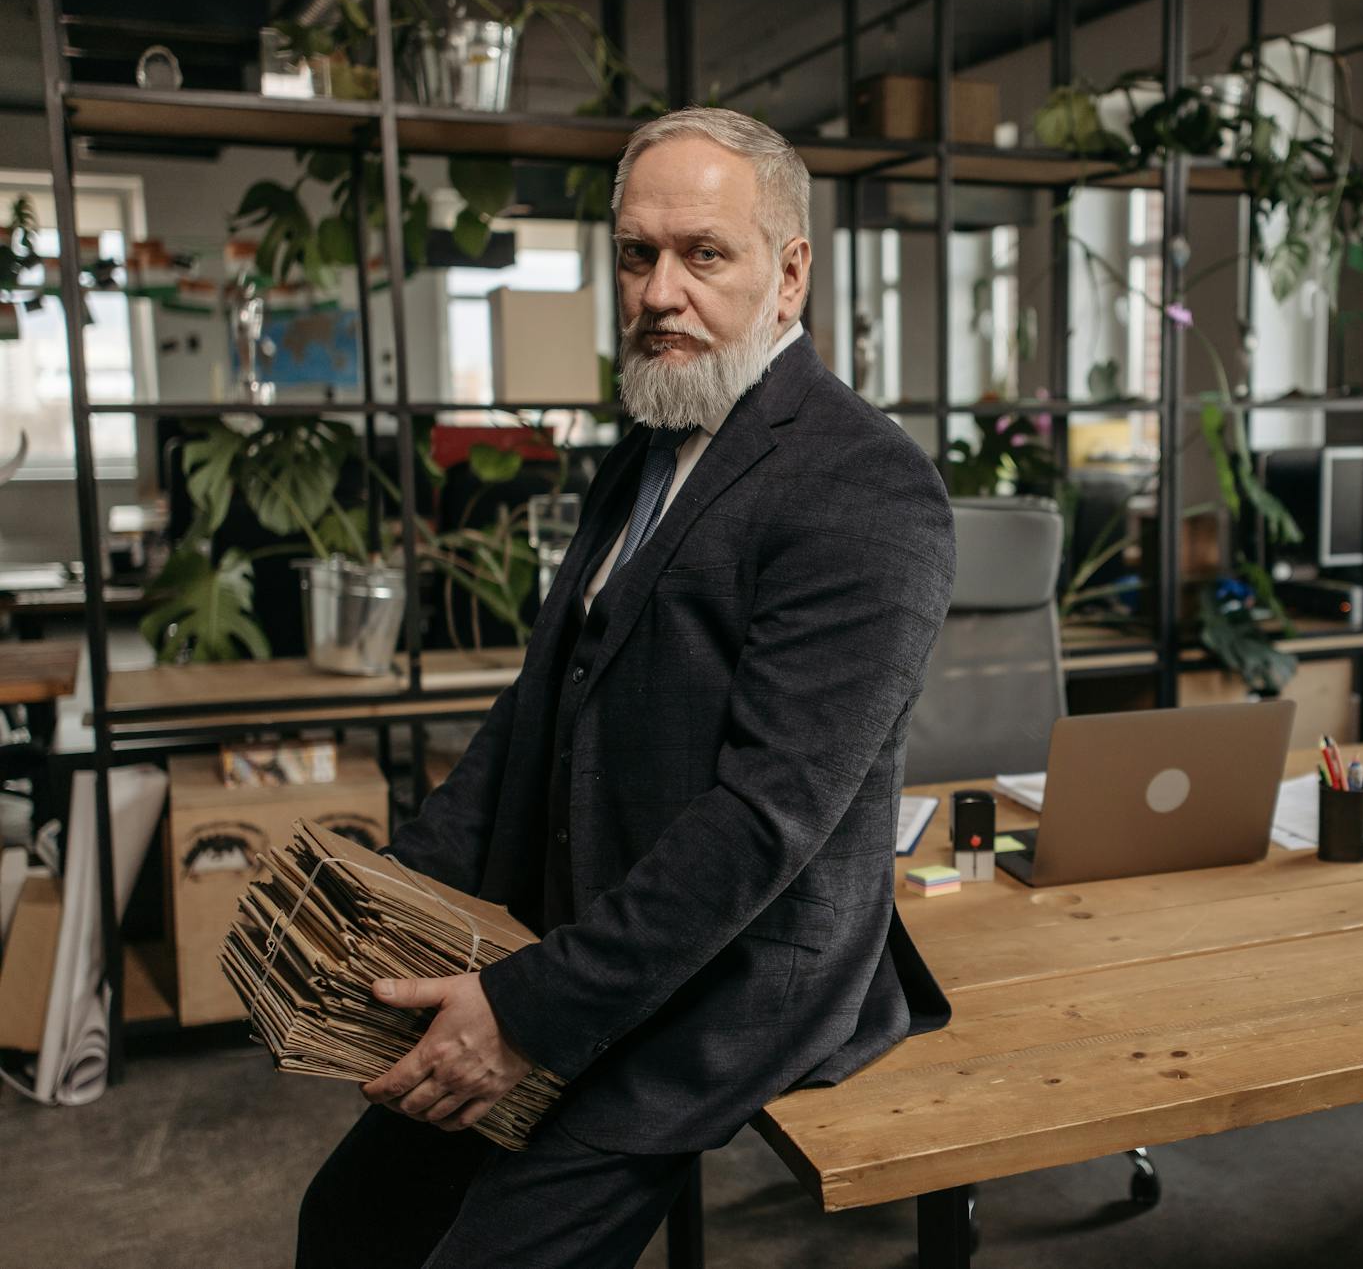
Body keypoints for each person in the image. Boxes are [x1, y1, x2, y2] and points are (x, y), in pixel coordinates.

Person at [296, 107, 957, 1269]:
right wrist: (386, 887)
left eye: (704, 253)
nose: (660, 291)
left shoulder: (866, 488)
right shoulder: (655, 439)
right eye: (638, 255)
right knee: (348, 1223)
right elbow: (536, 710)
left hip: (732, 976)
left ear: (790, 272)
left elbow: (765, 825)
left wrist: (526, 1013)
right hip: (583, 930)